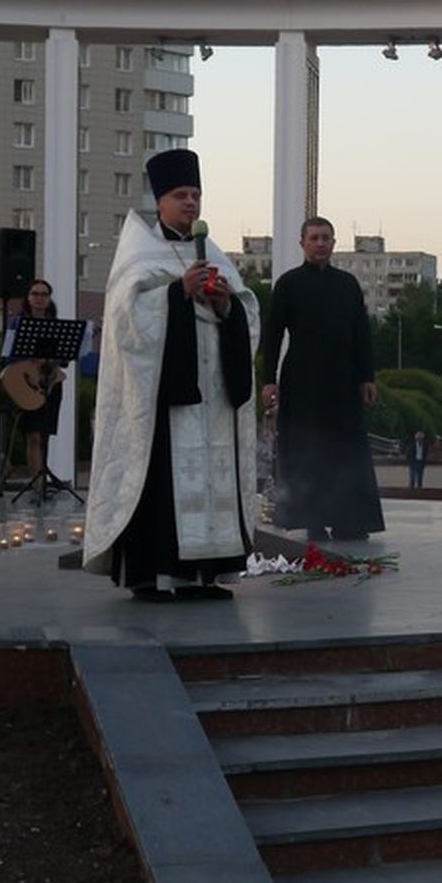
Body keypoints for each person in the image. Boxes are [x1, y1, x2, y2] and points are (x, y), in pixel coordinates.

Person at [83, 149, 260, 602]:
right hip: (164, 397)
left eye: (196, 195)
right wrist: (176, 293)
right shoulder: (138, 255)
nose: (191, 203)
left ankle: (204, 575)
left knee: (213, 478)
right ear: (160, 201)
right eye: (181, 195)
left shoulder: (214, 254)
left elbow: (248, 315)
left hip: (212, 396)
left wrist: (226, 306)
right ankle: (154, 576)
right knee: (163, 482)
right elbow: (126, 321)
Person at [259, 216, 383, 543]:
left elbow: (361, 333)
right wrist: (268, 380)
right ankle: (312, 520)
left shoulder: (347, 284)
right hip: (303, 380)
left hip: (344, 379)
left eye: (326, 238)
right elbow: (272, 335)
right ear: (302, 243)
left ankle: (349, 520)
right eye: (314, 238)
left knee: (346, 450)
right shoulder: (288, 284)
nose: (320, 243)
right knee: (308, 449)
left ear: (334, 243)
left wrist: (367, 376)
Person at [7, 278, 66, 480]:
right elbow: (9, 355)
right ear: (28, 298)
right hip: (27, 384)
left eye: (44, 294)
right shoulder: (17, 323)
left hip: (49, 384)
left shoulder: (56, 326)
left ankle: (42, 480)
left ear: (49, 299)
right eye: (35, 294)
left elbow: (64, 360)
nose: (39, 298)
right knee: (33, 435)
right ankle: (36, 484)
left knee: (44, 436)